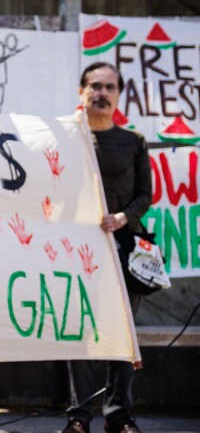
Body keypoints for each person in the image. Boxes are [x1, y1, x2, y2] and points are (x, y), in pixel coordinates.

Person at [63, 62, 152, 433]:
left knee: (122, 334)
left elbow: (145, 195)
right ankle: (79, 418)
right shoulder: (67, 140)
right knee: (80, 333)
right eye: (95, 86)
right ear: (82, 92)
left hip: (126, 248)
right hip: (77, 252)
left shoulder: (133, 142)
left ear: (118, 95)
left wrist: (121, 217)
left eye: (110, 87)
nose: (102, 93)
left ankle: (119, 417)